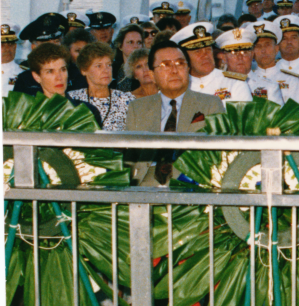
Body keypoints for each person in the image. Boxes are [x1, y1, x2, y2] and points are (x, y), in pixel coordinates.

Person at [124, 40, 225, 186]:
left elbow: (217, 155)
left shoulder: (210, 104)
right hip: (146, 184)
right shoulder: (137, 108)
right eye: (165, 65)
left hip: (190, 183)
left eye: (180, 63)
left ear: (188, 69)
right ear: (152, 75)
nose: (174, 70)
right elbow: (129, 159)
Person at [170, 22, 252, 104]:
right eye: (198, 51)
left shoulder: (235, 83)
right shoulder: (177, 87)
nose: (205, 55)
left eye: (208, 49)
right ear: (184, 57)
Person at [22, 42, 101, 123]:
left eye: (63, 69)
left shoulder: (87, 112)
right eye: (50, 71)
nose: (59, 77)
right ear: (37, 76)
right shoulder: (28, 114)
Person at [68, 42, 135, 131]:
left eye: (109, 65)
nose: (106, 70)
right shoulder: (72, 99)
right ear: (84, 70)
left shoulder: (127, 100)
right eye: (99, 66)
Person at [215, 27, 284, 104]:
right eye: (233, 53)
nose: (240, 57)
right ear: (224, 57)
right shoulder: (214, 86)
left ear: (252, 54)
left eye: (245, 52)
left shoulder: (270, 87)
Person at [249, 19, 299, 106]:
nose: (263, 50)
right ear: (252, 52)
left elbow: (296, 114)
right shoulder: (247, 81)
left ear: (276, 49)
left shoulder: (291, 80)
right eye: (258, 46)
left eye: (267, 45)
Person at [1, 24, 22, 96]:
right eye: (2, 45)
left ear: (15, 46)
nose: (7, 49)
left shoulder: (23, 74)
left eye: (10, 44)